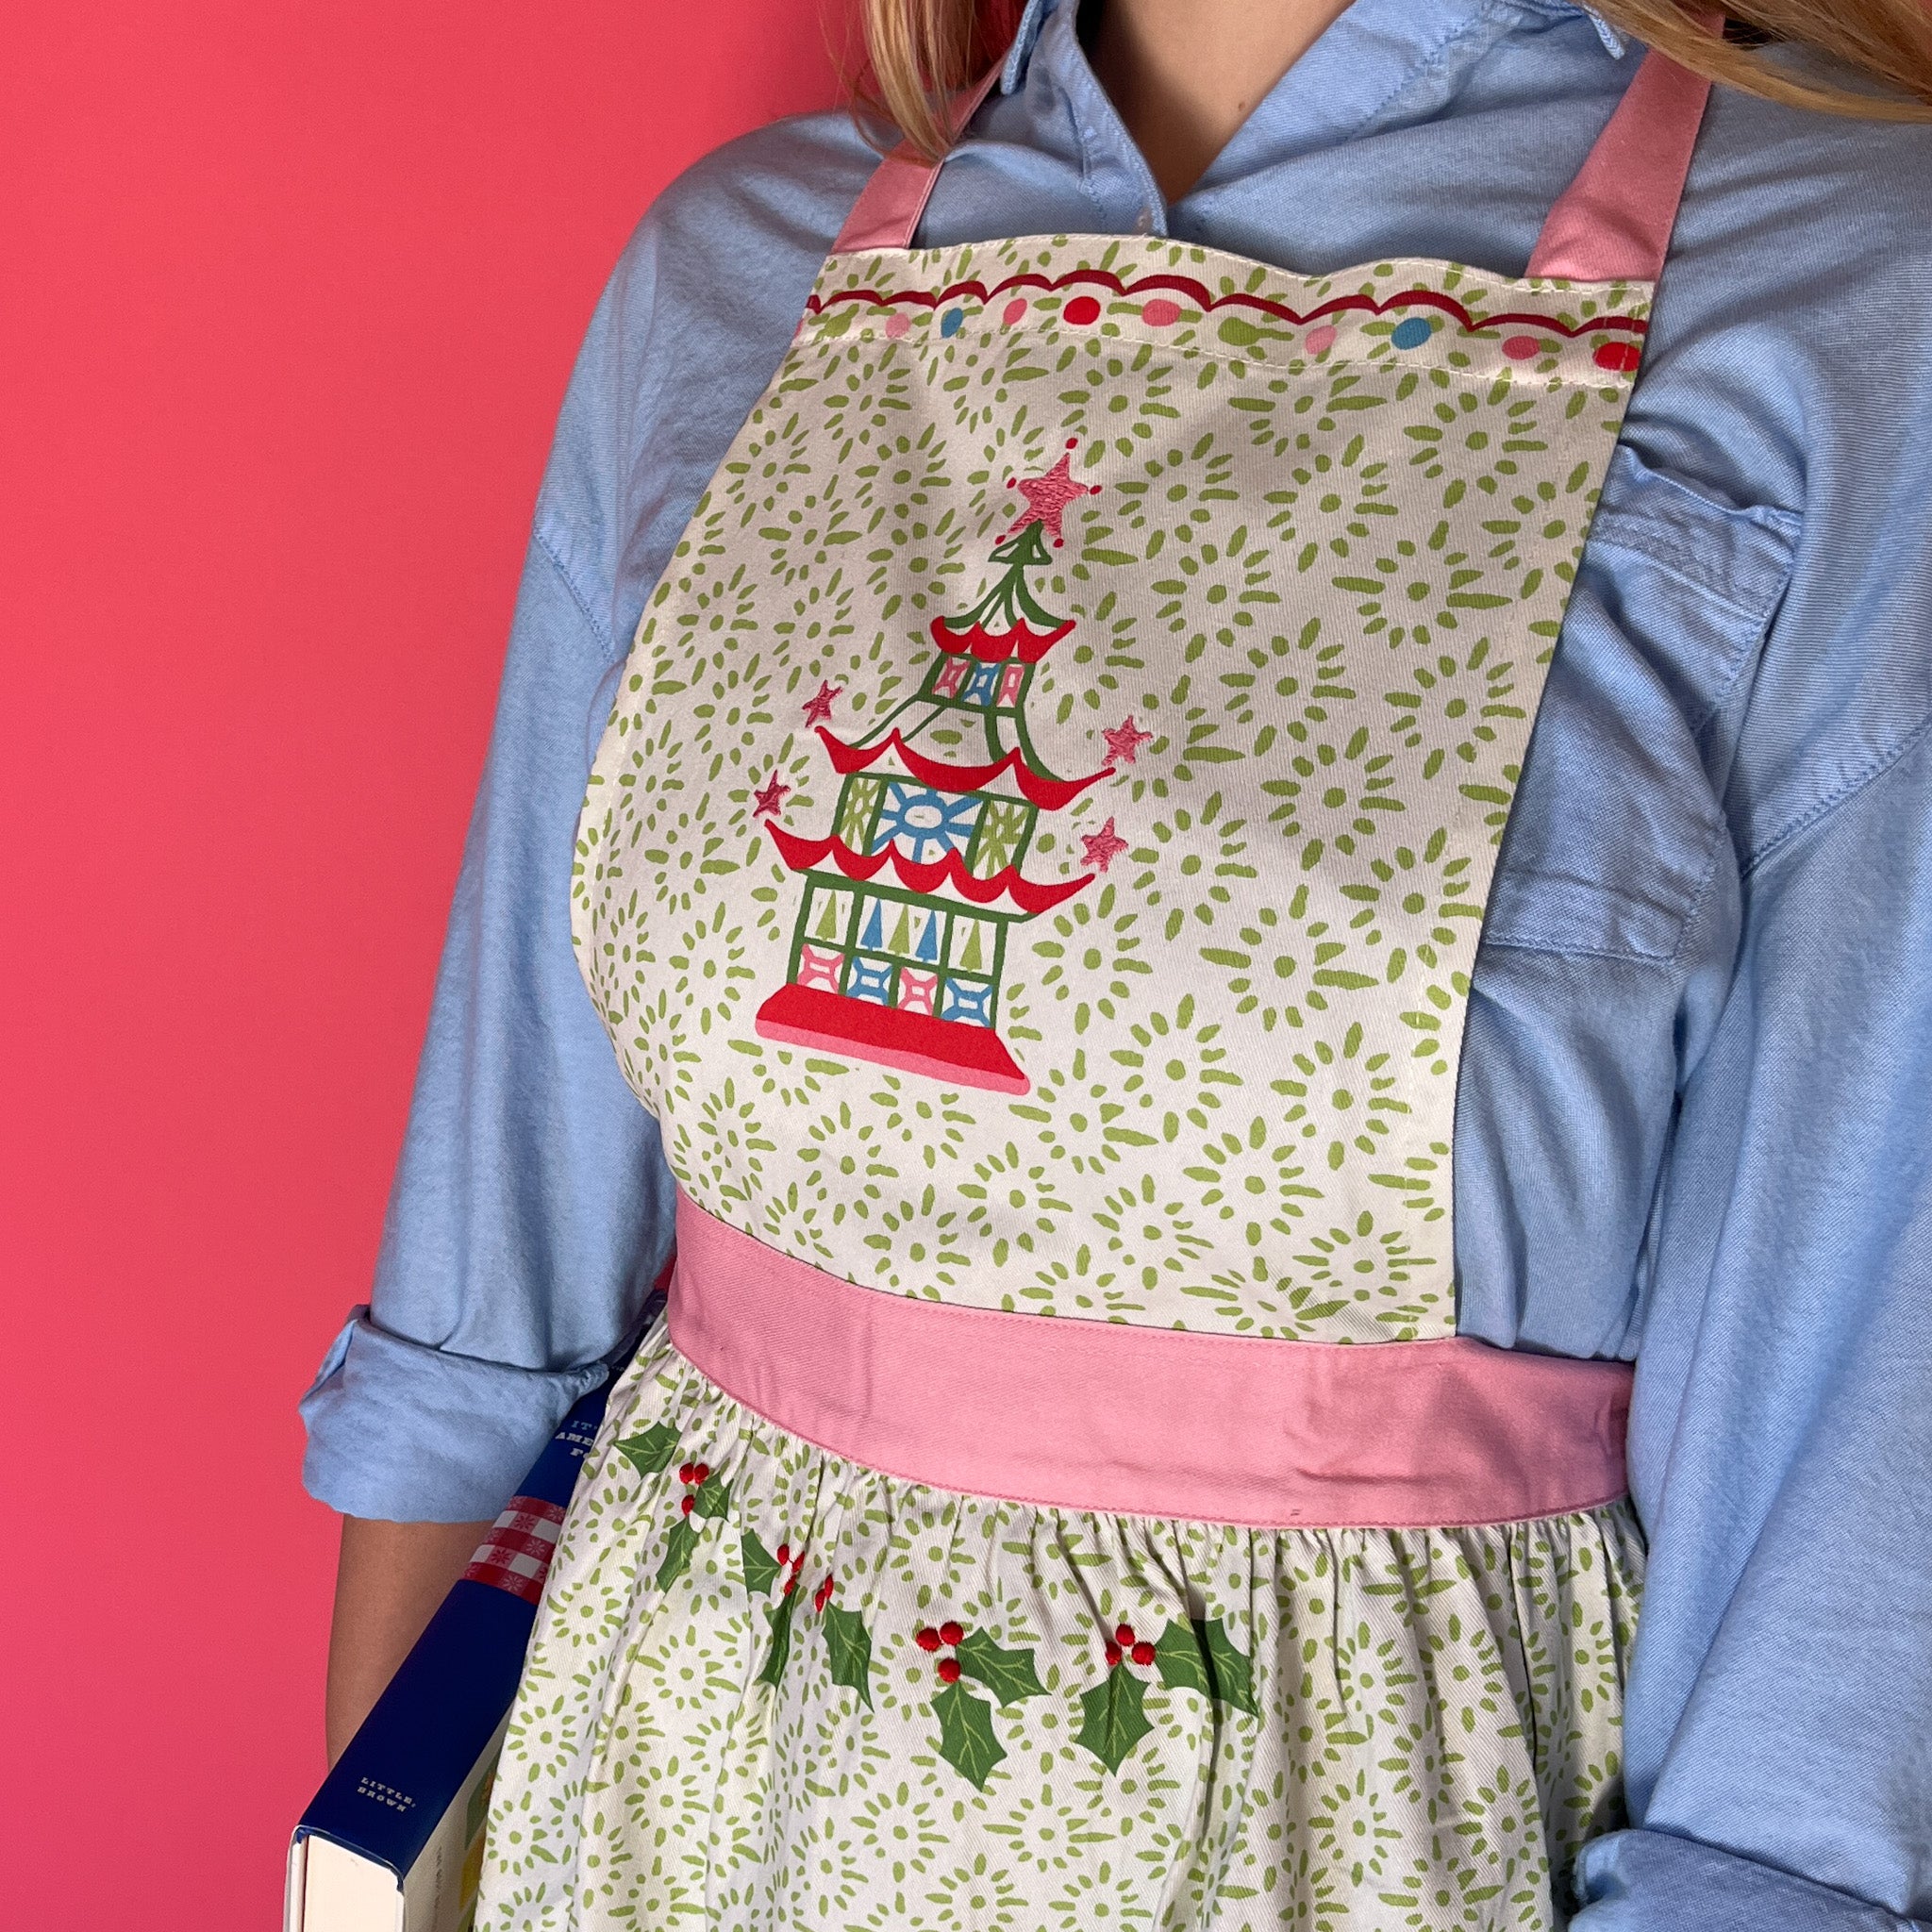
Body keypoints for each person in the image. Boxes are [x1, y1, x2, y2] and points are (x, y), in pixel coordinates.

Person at [301, 0, 1932, 1924]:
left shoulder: (1852, 289)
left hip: (1347, 1836)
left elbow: (1847, 1457)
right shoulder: (740, 266)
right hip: (656, 1790)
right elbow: (486, 1286)